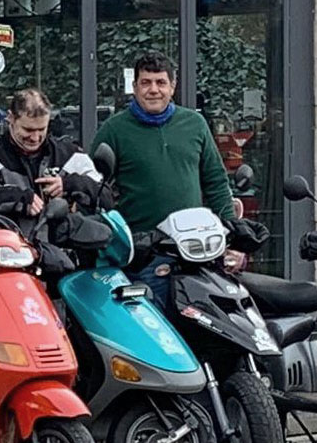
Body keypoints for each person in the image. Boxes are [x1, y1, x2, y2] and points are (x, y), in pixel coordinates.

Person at [90, 51, 235, 307]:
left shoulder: (195, 124)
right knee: (156, 329)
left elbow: (215, 181)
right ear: (134, 87)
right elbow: (92, 185)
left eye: (160, 82)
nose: (153, 90)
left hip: (196, 248)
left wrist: (232, 233)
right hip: (145, 253)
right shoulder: (114, 130)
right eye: (145, 83)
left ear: (173, 86)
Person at [0, 88, 106, 236]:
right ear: (11, 118)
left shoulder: (70, 155)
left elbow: (106, 197)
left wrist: (70, 184)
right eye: (28, 130)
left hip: (62, 254)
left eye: (41, 129)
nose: (35, 138)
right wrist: (16, 198)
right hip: (5, 252)